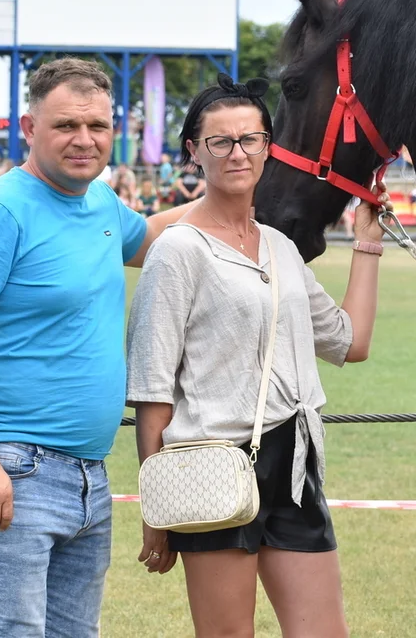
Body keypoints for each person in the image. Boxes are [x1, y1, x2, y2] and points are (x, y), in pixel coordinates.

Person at [0, 57, 197, 638]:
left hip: (88, 476)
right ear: (28, 127)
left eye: (97, 126)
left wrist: (235, 185)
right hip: (13, 471)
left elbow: (148, 238)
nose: (84, 140)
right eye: (66, 125)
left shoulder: (98, 204)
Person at [126, 74, 390, 638]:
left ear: (270, 147)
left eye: (250, 139)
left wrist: (367, 241)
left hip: (294, 461)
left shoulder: (282, 247)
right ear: (194, 152)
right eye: (219, 141)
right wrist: (155, 511)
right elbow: (152, 393)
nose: (236, 153)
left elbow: (350, 341)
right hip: (211, 462)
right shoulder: (177, 251)